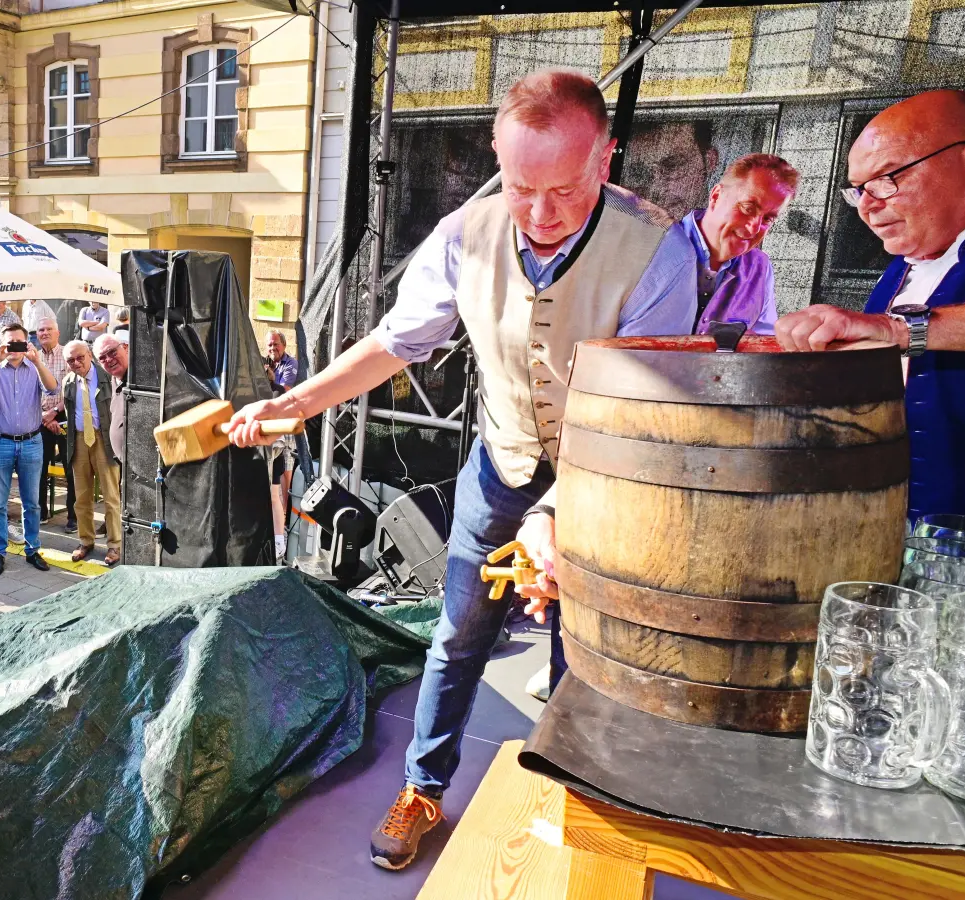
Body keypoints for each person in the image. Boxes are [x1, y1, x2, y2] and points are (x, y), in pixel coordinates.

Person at [226, 68, 698, 871]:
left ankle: (567, 799)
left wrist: (558, 519)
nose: (542, 214)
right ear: (495, 157)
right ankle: (423, 789)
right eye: (521, 187)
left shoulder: (659, 252)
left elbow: (647, 418)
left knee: (579, 655)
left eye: (566, 189)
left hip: (611, 478)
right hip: (500, 462)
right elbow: (392, 344)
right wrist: (297, 403)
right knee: (456, 640)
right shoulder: (463, 234)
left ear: (607, 158)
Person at [775, 89, 965, 532]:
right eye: (859, 192)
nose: (868, 207)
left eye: (888, 178)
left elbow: (899, 334)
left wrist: (897, 330)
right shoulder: (898, 271)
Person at [677, 153, 799, 335]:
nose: (753, 229)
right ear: (716, 196)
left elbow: (762, 344)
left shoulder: (761, 267)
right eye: (748, 208)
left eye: (767, 219)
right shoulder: (659, 243)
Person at [0, 323, 57, 575]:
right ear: (2, 343)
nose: (15, 348)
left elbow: (53, 388)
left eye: (19, 342)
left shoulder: (35, 367)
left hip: (31, 442)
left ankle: (32, 549)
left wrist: (38, 361)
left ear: (26, 343)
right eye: (10, 343)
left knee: (32, 502)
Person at [61, 340, 122, 566]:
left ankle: (115, 544)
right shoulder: (68, 381)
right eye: (70, 360)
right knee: (81, 497)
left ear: (89, 355)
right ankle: (86, 540)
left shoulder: (107, 376)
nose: (76, 363)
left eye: (80, 357)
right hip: (78, 440)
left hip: (104, 439)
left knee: (111, 496)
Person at [33, 318, 74, 534]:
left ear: (58, 333)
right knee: (38, 467)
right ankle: (40, 512)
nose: (45, 332)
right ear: (37, 334)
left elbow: (74, 390)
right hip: (40, 420)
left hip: (64, 416)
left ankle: (73, 516)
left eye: (49, 329)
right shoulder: (33, 358)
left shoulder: (68, 354)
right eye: (41, 330)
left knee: (71, 469)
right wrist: (43, 417)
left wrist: (54, 413)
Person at [262, 329, 299, 559]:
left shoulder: (290, 364)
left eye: (275, 344)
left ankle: (283, 530)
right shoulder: (265, 363)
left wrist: (271, 380)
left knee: (285, 481)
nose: (272, 349)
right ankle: (277, 532)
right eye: (269, 345)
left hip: (285, 434)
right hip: (271, 435)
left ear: (283, 345)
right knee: (274, 487)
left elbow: (283, 393)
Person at [93, 334, 128, 465]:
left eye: (112, 352)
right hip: (125, 464)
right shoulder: (114, 379)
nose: (108, 359)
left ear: (125, 348)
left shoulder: (140, 380)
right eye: (102, 358)